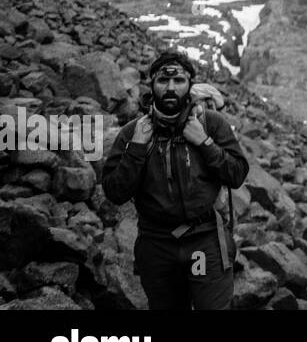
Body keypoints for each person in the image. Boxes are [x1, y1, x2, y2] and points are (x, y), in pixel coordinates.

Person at [102, 49, 249, 309]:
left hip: (204, 240)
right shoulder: (132, 132)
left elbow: (237, 174)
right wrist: (136, 148)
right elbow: (114, 192)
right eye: (163, 81)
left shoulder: (211, 124)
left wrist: (205, 143)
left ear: (190, 86)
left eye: (179, 81)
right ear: (152, 85)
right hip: (156, 244)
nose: (171, 88)